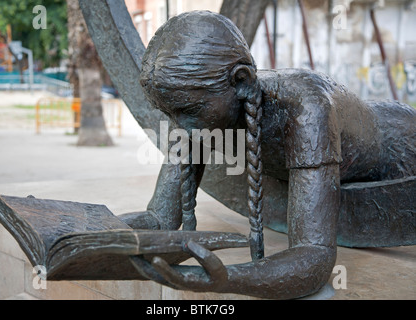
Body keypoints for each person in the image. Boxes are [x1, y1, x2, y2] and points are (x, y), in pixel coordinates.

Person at [118, 11, 415, 299]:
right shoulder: (195, 107)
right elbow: (160, 219)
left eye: (190, 111)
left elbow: (314, 257)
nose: (180, 128)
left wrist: (228, 278)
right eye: (169, 113)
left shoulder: (306, 110)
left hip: (401, 147)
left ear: (242, 81)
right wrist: (91, 231)